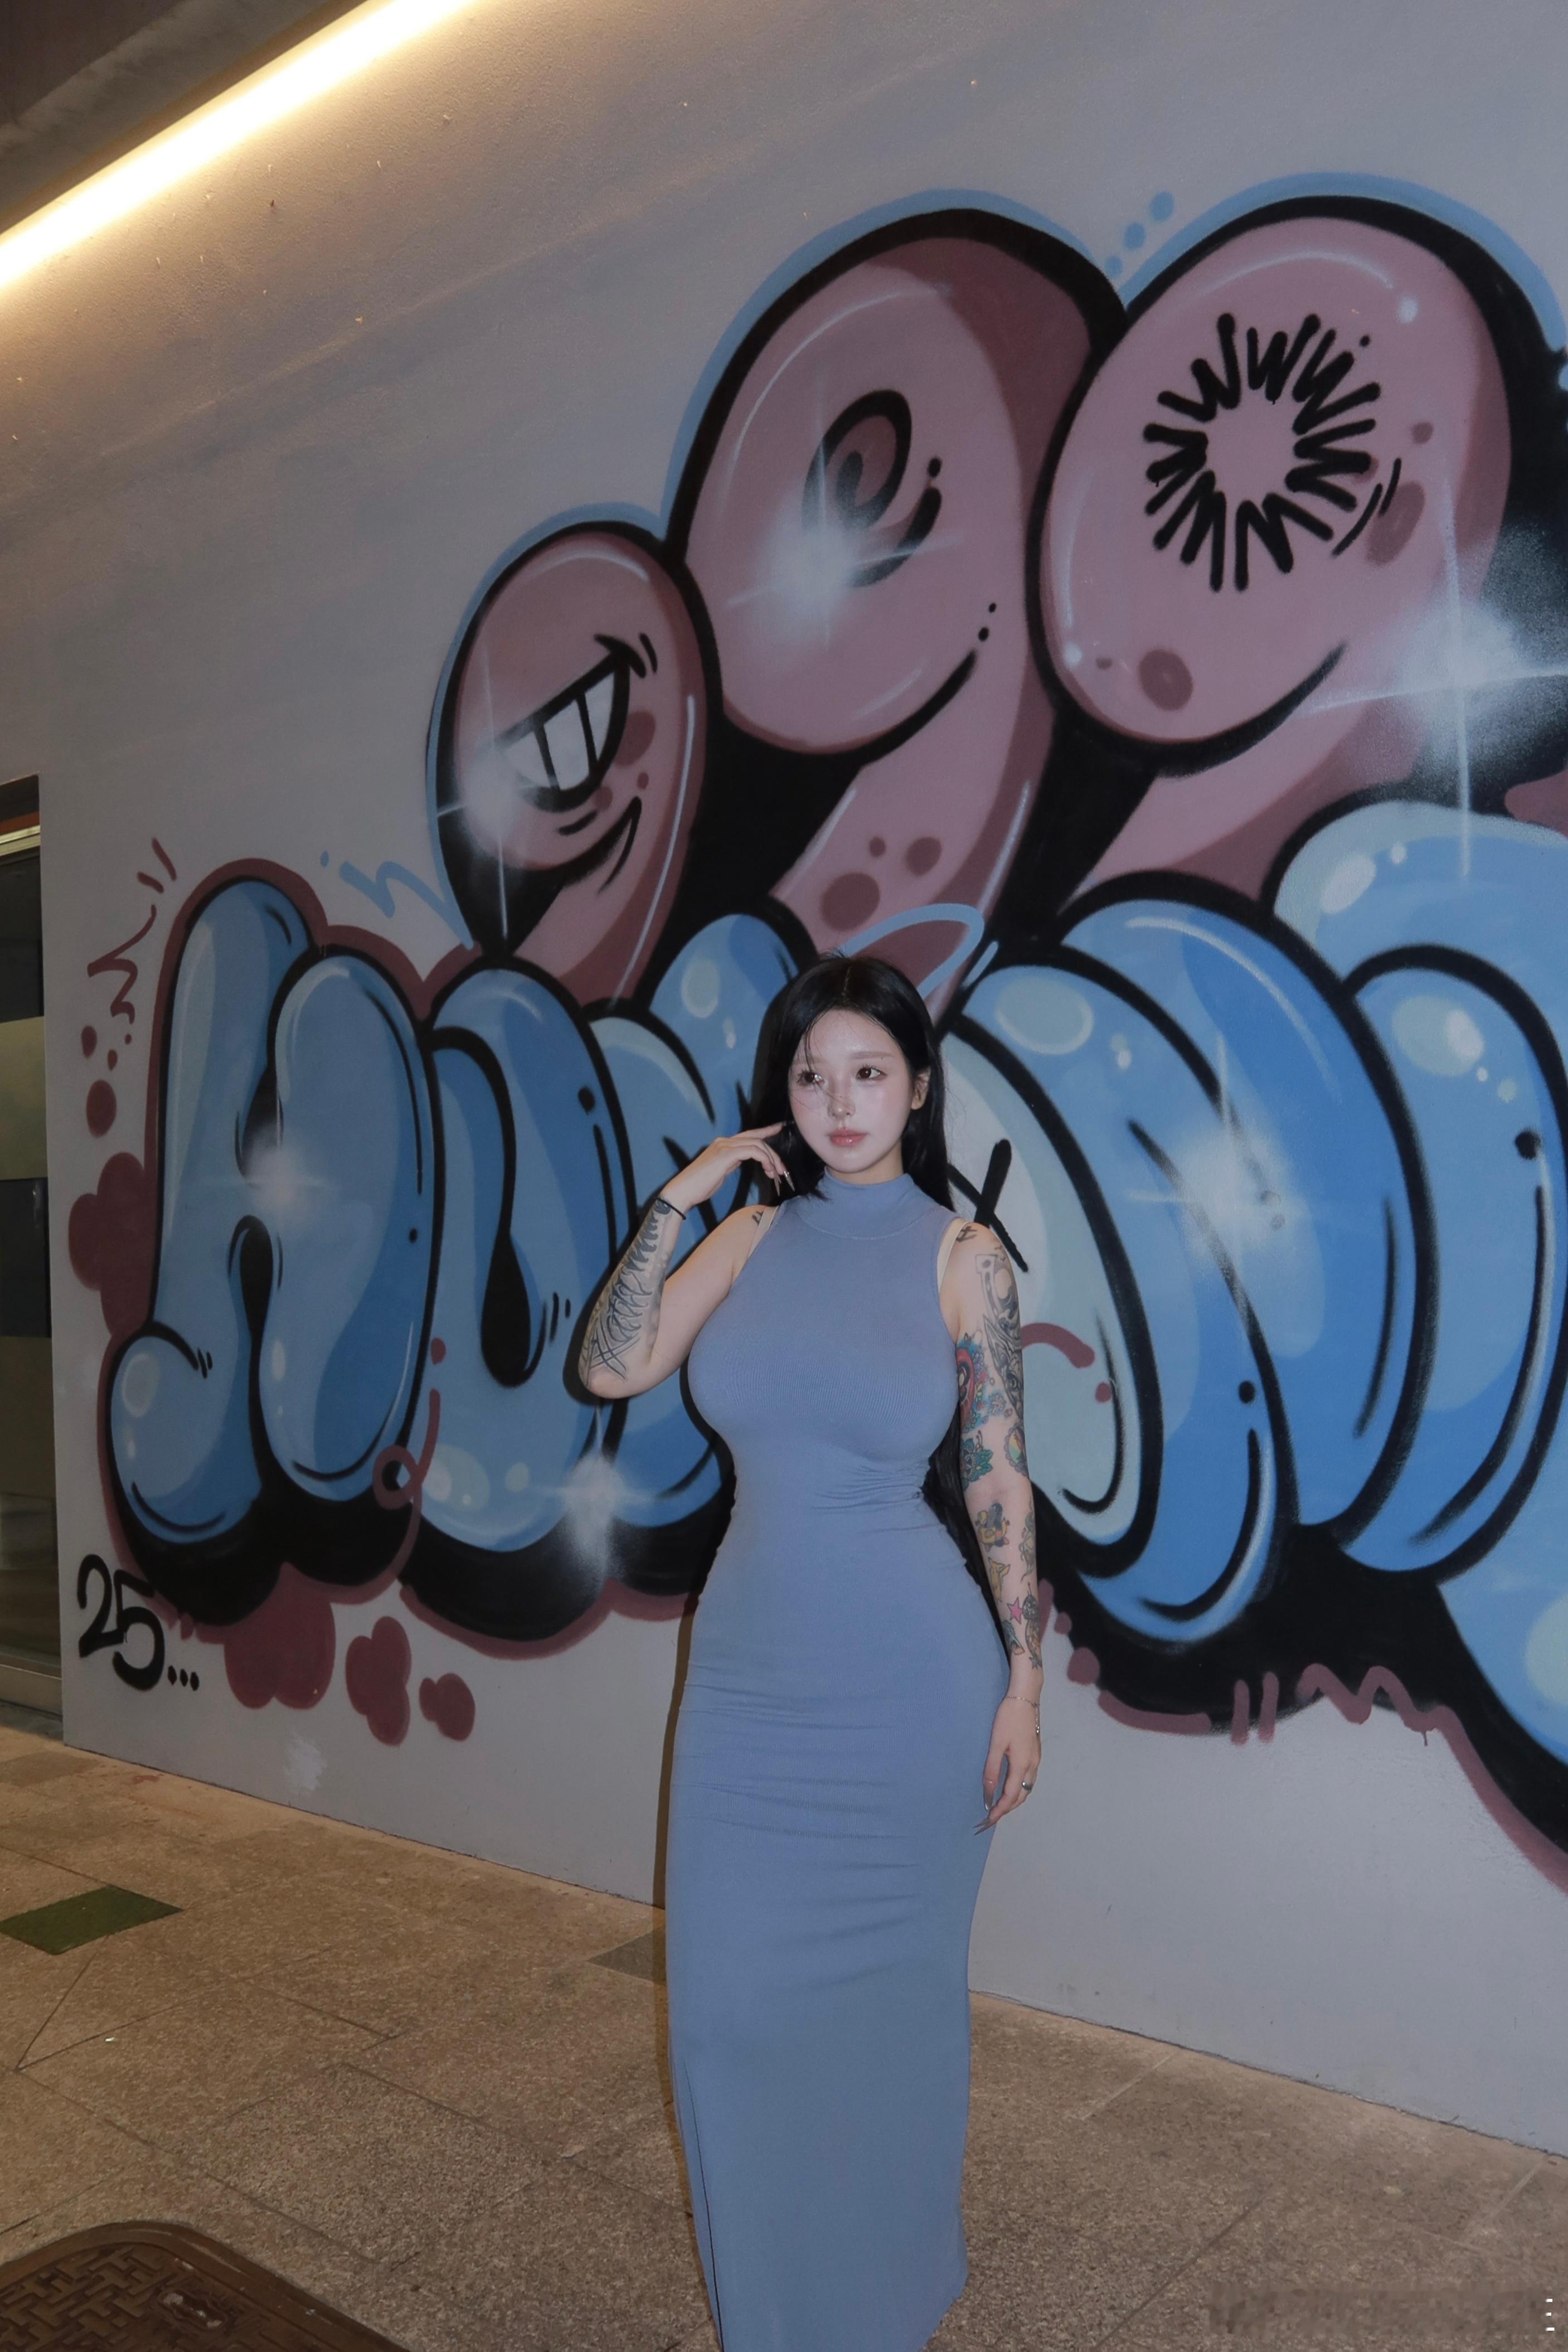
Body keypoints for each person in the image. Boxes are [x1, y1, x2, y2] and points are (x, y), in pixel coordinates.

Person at [579, 953, 1043, 2351]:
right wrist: (679, 1199)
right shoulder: (752, 1235)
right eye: (813, 1075)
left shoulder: (965, 1258)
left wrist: (1026, 1678)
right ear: (783, 1093)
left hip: (913, 1684)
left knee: (888, 2022)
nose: (841, 1103)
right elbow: (608, 1364)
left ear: (917, 1087)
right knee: (723, 2021)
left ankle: (882, 2305)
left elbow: (999, 1478)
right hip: (747, 1682)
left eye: (869, 1073)